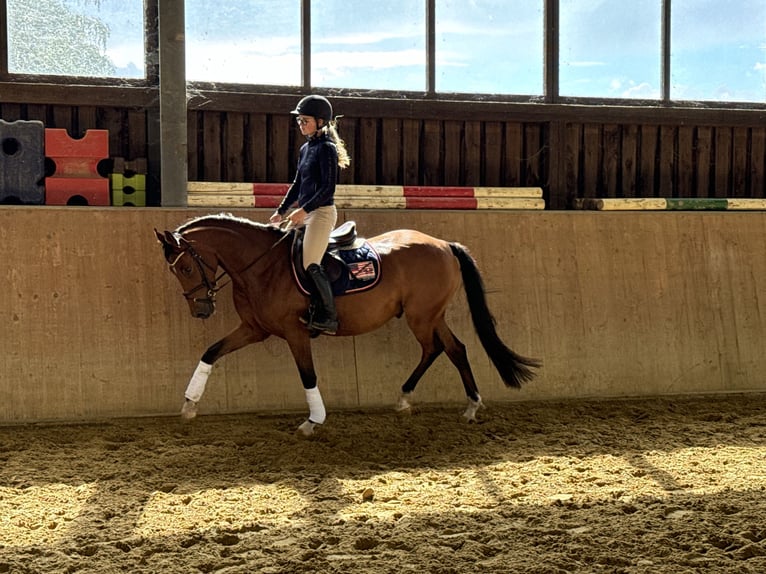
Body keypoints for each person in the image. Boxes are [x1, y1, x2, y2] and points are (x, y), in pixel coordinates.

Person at [269, 94, 351, 335]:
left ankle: (329, 316)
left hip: (322, 213)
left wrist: (303, 211)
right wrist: (280, 211)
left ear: (321, 122)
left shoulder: (327, 148)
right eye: (299, 121)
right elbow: (297, 184)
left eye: (305, 120)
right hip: (304, 213)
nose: (301, 124)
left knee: (310, 262)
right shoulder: (306, 149)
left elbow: (327, 189)